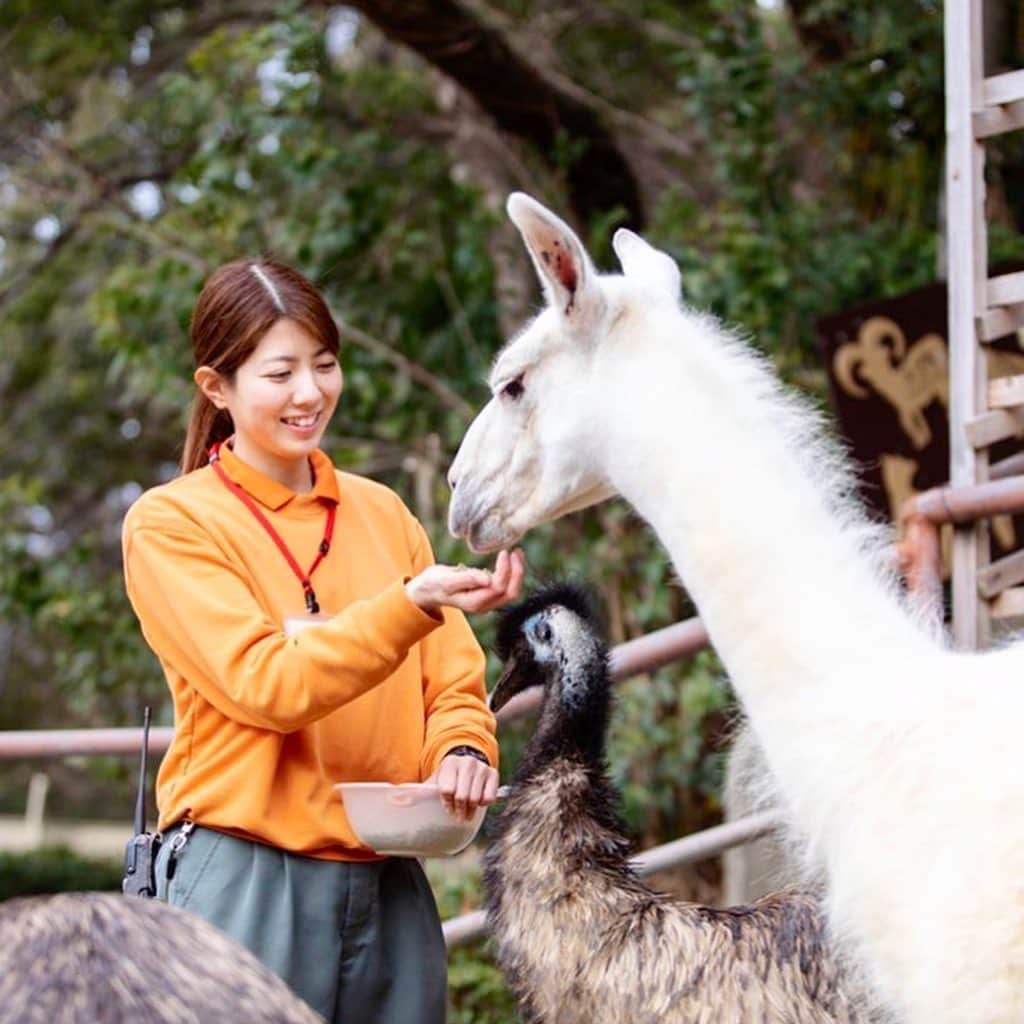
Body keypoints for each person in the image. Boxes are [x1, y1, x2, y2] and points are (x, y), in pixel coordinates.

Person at [121, 258, 525, 1024]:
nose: (310, 393)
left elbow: (454, 685)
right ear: (217, 388)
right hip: (245, 873)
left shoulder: (384, 514)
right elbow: (267, 685)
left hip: (390, 875)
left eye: (325, 364)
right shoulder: (170, 523)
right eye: (280, 373)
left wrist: (464, 753)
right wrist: (407, 604)